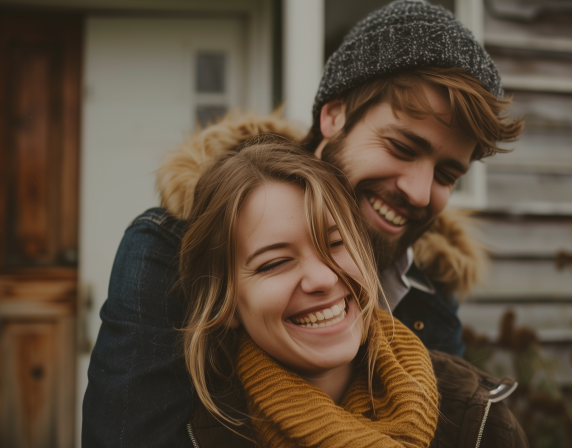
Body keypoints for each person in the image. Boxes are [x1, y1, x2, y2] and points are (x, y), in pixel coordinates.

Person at [82, 1, 523, 446]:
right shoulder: (168, 249)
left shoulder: (428, 289)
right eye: (402, 147)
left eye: (447, 175)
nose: (420, 192)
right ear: (333, 116)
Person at [179, 136, 527, 447]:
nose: (323, 279)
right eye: (274, 263)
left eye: (335, 243)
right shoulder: (185, 431)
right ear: (225, 303)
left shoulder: (478, 420)